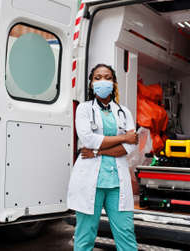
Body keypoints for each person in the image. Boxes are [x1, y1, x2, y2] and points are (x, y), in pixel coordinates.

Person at [67, 64, 138, 251]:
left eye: (107, 77)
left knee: (126, 235)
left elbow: (130, 146)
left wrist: (98, 151)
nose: (102, 81)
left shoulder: (124, 111)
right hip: (90, 181)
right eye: (97, 78)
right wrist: (123, 137)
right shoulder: (83, 109)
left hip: (117, 183)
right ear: (91, 84)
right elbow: (88, 139)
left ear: (113, 83)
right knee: (84, 236)